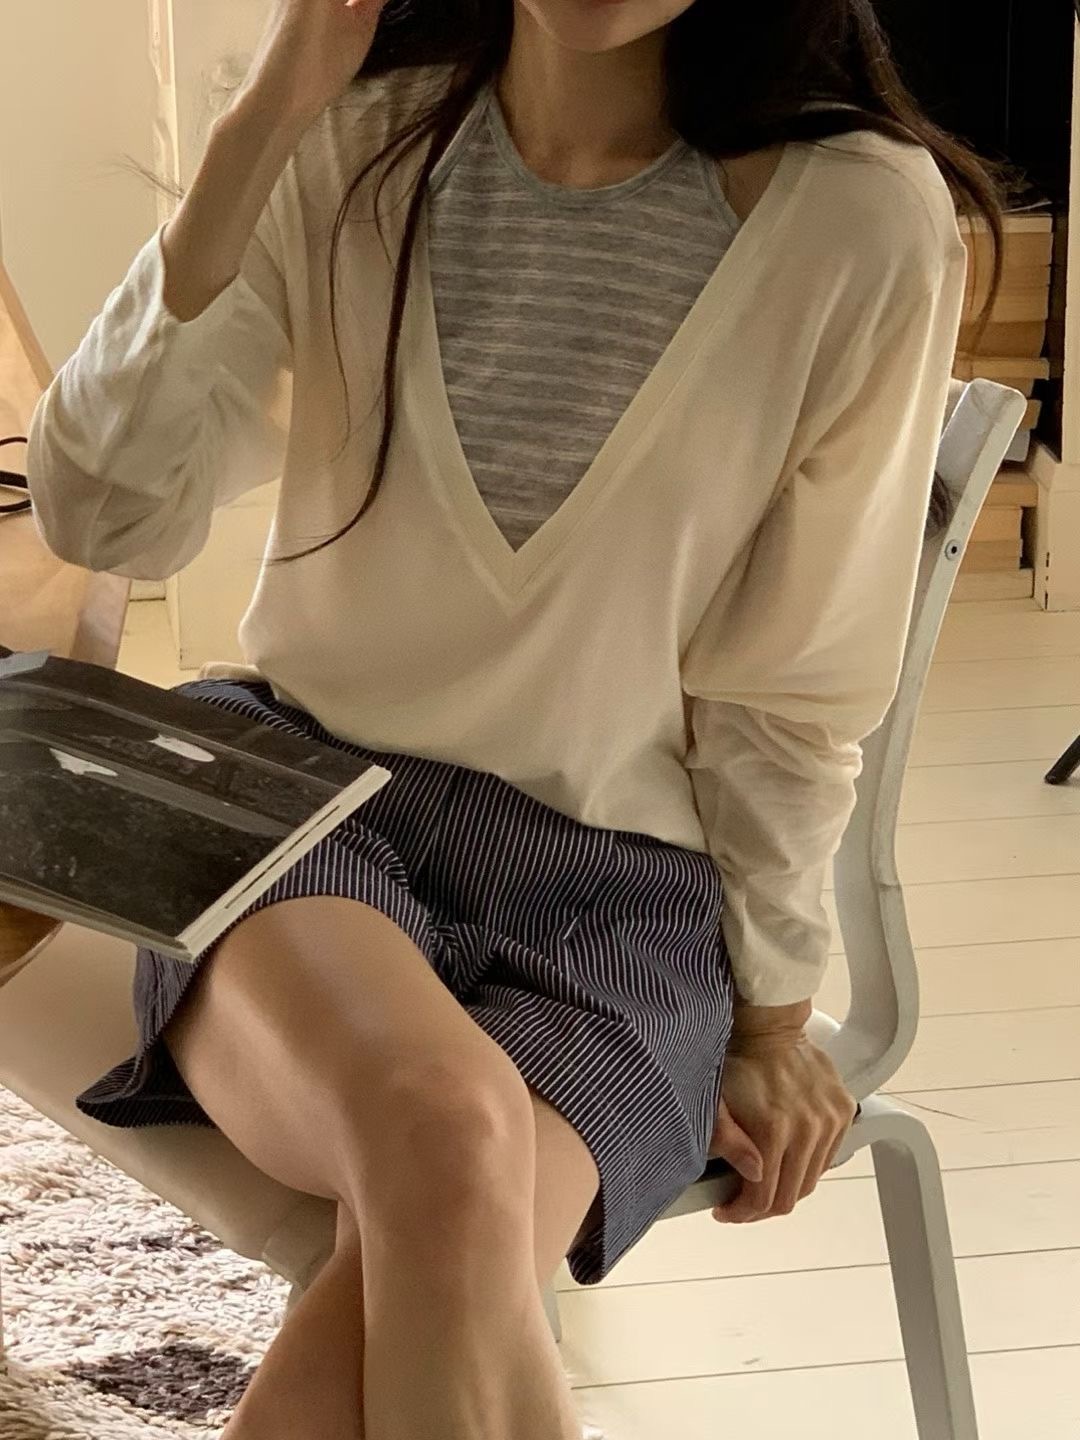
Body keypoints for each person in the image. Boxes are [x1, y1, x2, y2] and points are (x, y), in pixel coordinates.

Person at [26, 0, 1001, 1435]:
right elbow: (107, 513)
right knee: (442, 1132)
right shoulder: (350, 147)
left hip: (621, 894)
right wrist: (258, 128)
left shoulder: (859, 218)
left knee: (433, 1227)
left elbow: (790, 686)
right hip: (300, 810)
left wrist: (776, 1006)